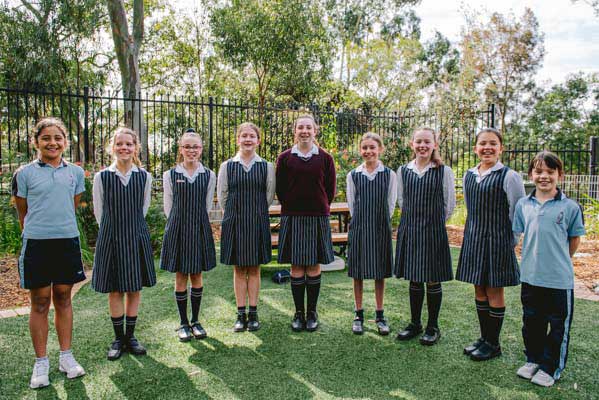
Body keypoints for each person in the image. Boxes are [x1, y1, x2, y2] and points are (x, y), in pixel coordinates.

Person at [14, 117, 86, 389]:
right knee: (41, 301)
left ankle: (66, 357)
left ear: (65, 142)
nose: (52, 142)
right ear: (36, 142)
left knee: (64, 297)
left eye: (58, 138)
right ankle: (41, 362)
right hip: (37, 245)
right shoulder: (24, 174)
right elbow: (23, 212)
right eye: (46, 138)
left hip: (67, 242)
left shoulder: (75, 174)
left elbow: (73, 204)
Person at [513, 151, 585, 387]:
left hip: (558, 280)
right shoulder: (524, 204)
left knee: (557, 327)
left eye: (550, 172)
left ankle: (550, 367)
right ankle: (533, 359)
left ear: (559, 175)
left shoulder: (570, 207)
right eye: (539, 171)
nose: (544, 176)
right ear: (531, 174)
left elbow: (574, 240)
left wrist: (559, 260)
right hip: (531, 276)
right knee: (531, 322)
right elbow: (522, 233)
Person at [456, 127, 526, 361]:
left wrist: (510, 241)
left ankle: (493, 344)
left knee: (494, 290)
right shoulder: (469, 175)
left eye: (492, 143)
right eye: (483, 143)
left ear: (500, 148)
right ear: (476, 148)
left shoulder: (509, 176)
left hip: (498, 241)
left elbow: (518, 211)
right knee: (478, 288)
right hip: (475, 238)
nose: (487, 147)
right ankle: (484, 338)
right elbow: (470, 206)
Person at [91, 127, 155, 360]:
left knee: (134, 288)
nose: (124, 148)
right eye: (119, 144)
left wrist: (132, 229)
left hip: (135, 235)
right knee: (116, 289)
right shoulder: (102, 177)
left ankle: (131, 336)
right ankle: (118, 338)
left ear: (135, 147)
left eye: (129, 144)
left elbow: (143, 208)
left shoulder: (144, 177)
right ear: (112, 147)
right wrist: (112, 233)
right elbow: (99, 211)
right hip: (111, 237)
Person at [394, 127, 455, 345]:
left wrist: (435, 223)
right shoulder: (403, 171)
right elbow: (402, 200)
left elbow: (449, 204)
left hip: (433, 230)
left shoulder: (443, 171)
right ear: (412, 144)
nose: (422, 146)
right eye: (418, 141)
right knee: (414, 277)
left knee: (432, 278)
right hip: (411, 229)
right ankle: (415, 323)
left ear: (435, 145)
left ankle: (433, 326)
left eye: (427, 142)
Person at [275, 114, 336, 332]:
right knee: (296, 266)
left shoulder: (325, 158)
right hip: (293, 216)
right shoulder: (284, 158)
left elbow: (330, 190)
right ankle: (298, 313)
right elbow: (280, 189)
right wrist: (293, 205)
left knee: (313, 264)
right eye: (300, 127)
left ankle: (312, 312)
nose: (304, 131)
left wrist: (318, 205)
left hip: (317, 216)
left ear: (315, 130)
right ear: (295, 131)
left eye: (308, 127)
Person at [218, 122, 275, 332]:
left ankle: (253, 312)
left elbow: (269, 196)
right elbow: (223, 196)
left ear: (258, 140)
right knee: (239, 269)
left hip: (257, 220)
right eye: (244, 136)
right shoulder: (227, 166)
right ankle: (240, 314)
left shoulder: (266, 166)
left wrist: (255, 211)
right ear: (238, 139)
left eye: (252, 136)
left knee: (255, 268)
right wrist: (235, 213)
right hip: (235, 221)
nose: (248, 139)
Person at [161, 129, 216, 341]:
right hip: (178, 228)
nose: (191, 150)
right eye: (187, 146)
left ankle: (196, 321)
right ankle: (183, 322)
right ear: (181, 149)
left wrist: (197, 222)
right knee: (181, 275)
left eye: (196, 147)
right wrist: (178, 225)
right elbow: (168, 206)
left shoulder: (209, 175)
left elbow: (207, 205)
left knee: (197, 275)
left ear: (201, 149)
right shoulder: (170, 175)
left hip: (199, 227)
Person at [346, 132, 397, 335]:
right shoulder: (353, 175)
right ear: (361, 150)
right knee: (357, 272)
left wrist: (380, 221)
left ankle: (380, 314)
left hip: (379, 227)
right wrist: (361, 222)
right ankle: (358, 314)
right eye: (364, 148)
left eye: (372, 147)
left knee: (379, 272)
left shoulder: (389, 174)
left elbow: (391, 203)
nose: (368, 151)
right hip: (359, 227)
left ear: (380, 149)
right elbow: (352, 203)